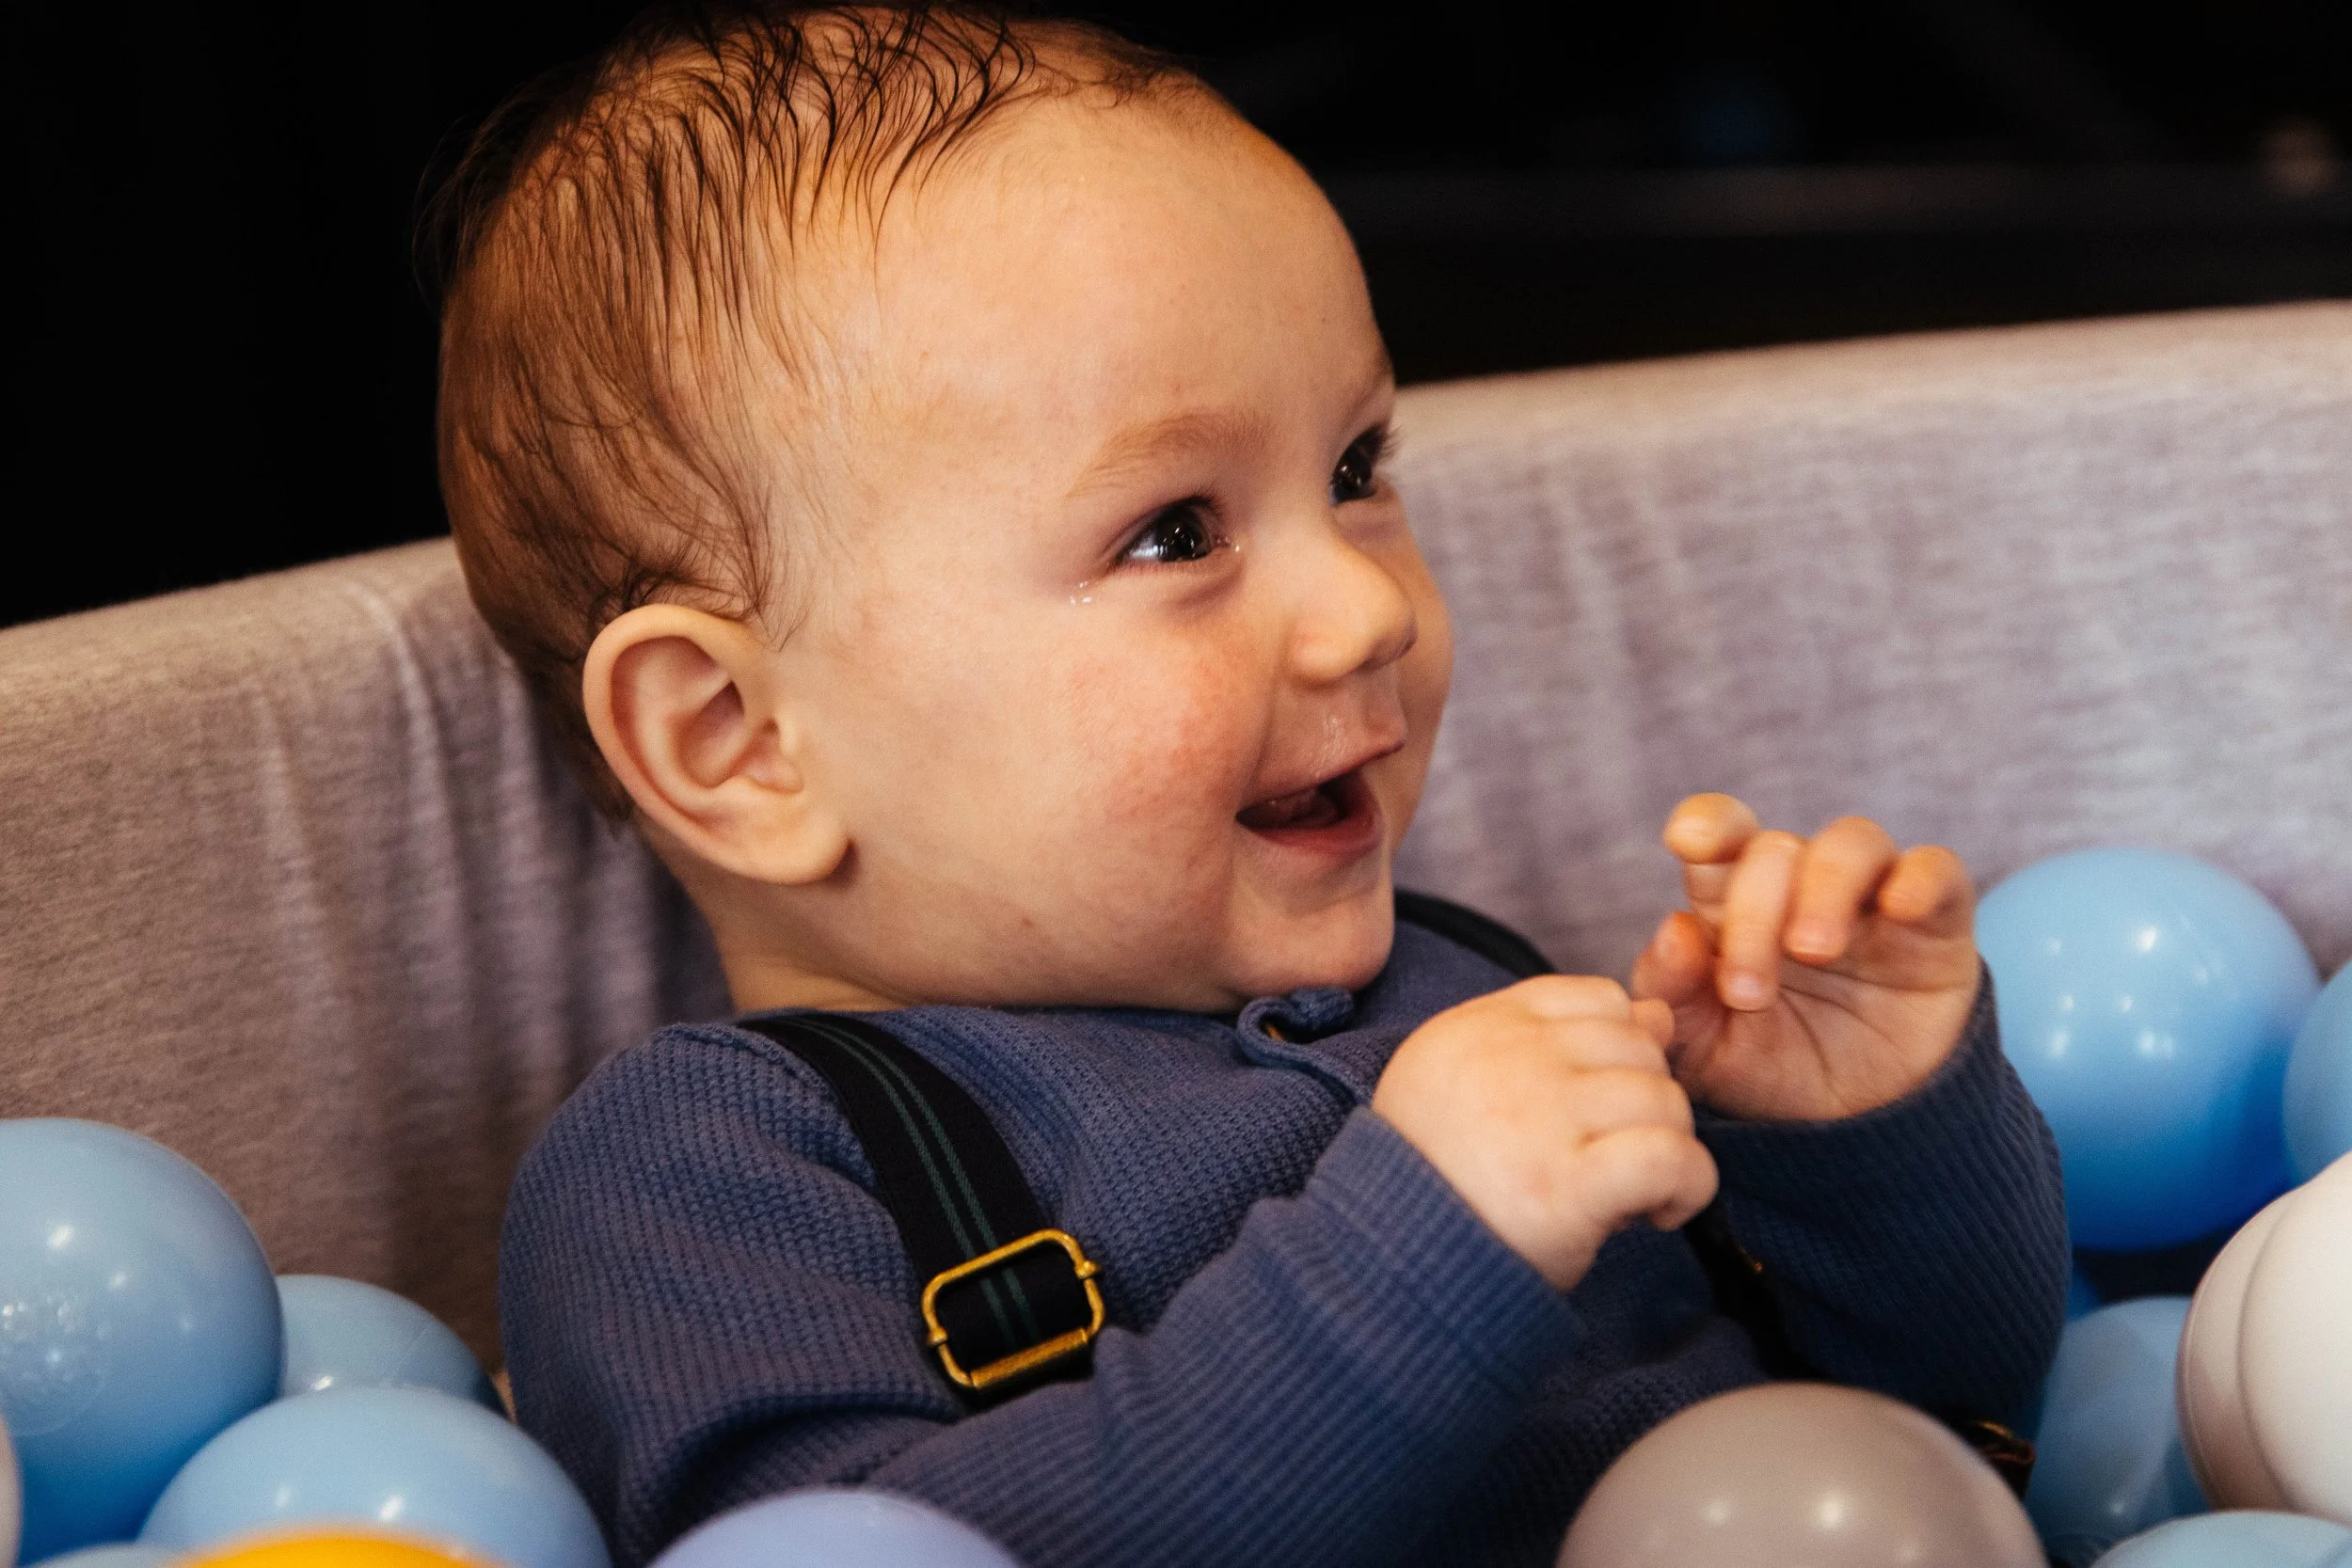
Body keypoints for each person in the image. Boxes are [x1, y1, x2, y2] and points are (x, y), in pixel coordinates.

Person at [425, 6, 2069, 1563]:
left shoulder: (1472, 987)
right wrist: (1424, 1250)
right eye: (1175, 533)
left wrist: (1866, 1139)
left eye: (1357, 473)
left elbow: (1943, 1428)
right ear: (739, 740)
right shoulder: (708, 1174)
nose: (1368, 610)